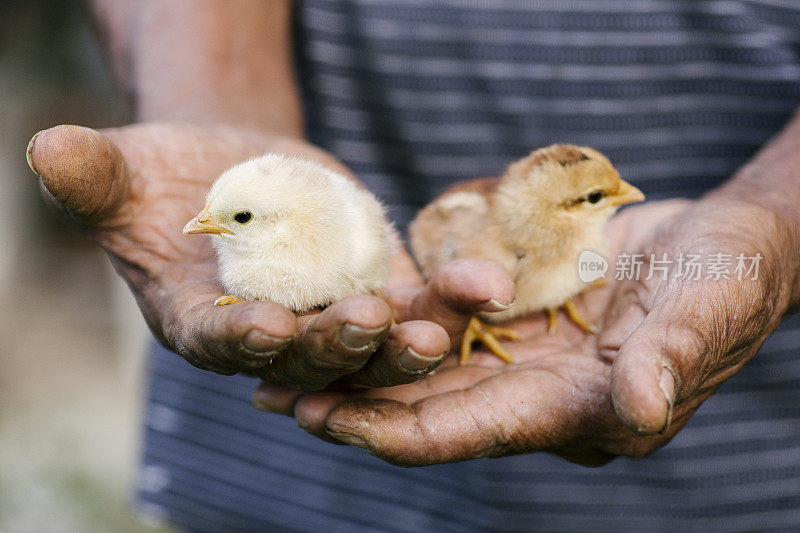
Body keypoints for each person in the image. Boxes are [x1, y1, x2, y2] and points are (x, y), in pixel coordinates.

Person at [27, 1, 800, 530]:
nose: (623, 197)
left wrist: (776, 215)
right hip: (276, 471)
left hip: (744, 473)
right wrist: (215, 112)